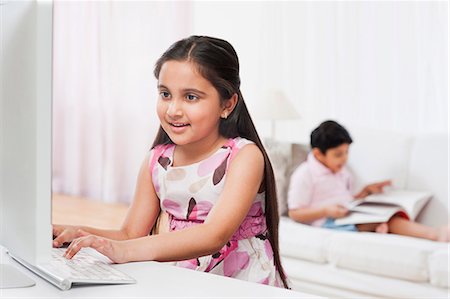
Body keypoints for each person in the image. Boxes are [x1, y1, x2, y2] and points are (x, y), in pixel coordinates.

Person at [52, 36, 289, 288]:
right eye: (165, 94)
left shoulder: (244, 156)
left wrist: (124, 251)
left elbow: (213, 236)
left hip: (243, 283)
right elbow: (130, 234)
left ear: (227, 104)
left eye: (191, 97)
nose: (173, 110)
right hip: (185, 279)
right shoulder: (157, 160)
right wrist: (78, 233)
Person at [287, 120, 449, 241]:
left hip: (345, 215)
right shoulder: (305, 174)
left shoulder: (342, 172)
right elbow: (294, 213)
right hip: (327, 221)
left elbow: (346, 201)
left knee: (386, 215)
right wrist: (326, 211)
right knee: (388, 220)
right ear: (317, 154)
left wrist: (365, 193)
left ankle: (381, 228)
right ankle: (435, 234)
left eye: (346, 152)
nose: (344, 159)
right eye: (338, 154)